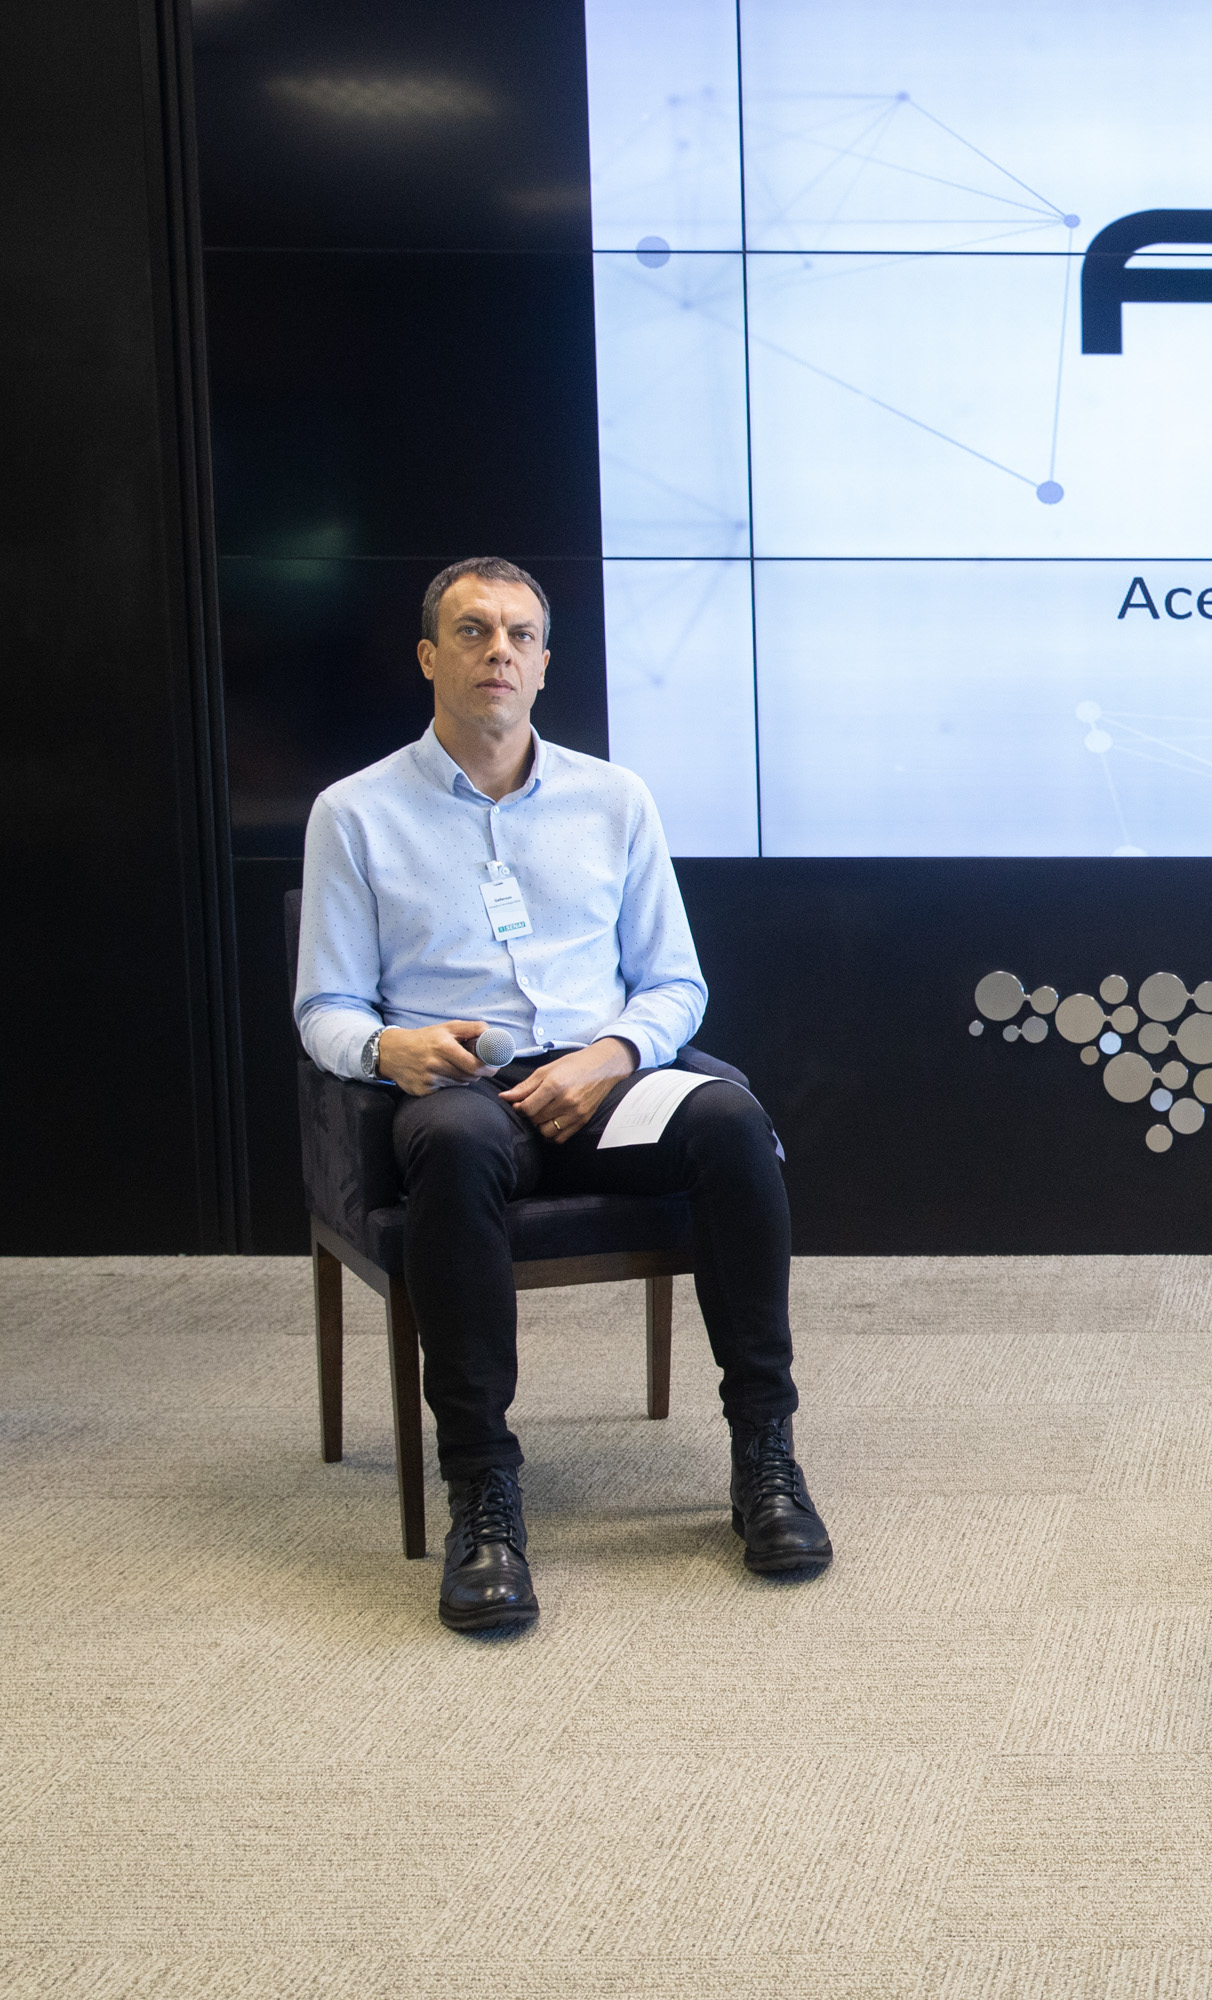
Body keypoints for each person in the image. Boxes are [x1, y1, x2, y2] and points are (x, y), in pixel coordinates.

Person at [296, 557, 831, 1634]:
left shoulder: (614, 799)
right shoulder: (354, 813)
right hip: (467, 1092)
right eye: (473, 630)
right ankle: (483, 1495)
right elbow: (324, 1006)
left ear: (544, 664)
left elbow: (675, 983)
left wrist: (614, 1054)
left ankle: (765, 1452)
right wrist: (388, 1047)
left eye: (521, 635)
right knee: (452, 1145)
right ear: (429, 656)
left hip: (600, 1082)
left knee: (730, 1119)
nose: (499, 650)